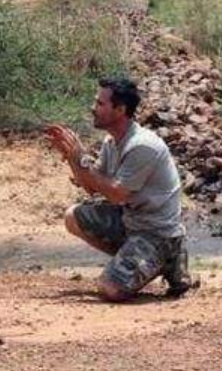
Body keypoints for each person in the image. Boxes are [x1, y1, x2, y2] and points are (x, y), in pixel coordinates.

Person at [45, 77, 195, 301]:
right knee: (73, 217)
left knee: (111, 289)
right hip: (131, 221)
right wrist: (71, 157)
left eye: (100, 104)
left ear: (120, 109)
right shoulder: (111, 142)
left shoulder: (142, 145)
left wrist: (81, 159)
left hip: (156, 233)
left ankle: (167, 257)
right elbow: (92, 187)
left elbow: (116, 193)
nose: (93, 108)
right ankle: (141, 262)